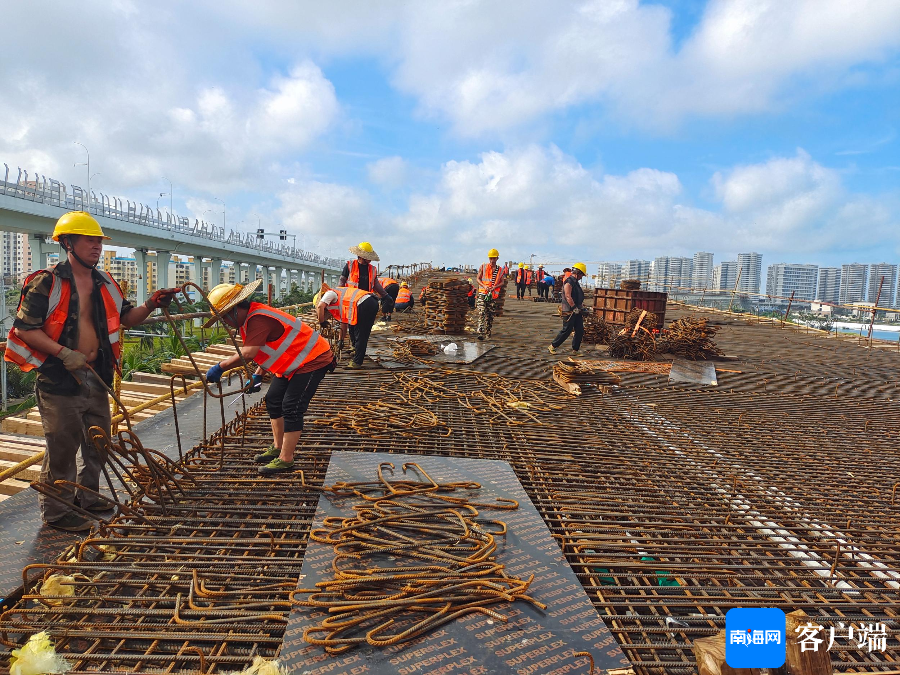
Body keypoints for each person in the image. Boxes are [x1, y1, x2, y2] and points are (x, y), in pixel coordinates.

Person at [5, 211, 178, 530]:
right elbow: (25, 330)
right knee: (63, 446)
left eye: (99, 241)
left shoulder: (107, 283)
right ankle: (58, 512)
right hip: (59, 381)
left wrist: (152, 303)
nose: (97, 247)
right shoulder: (47, 282)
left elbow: (127, 318)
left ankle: (86, 497)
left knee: (98, 443)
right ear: (68, 242)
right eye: (90, 240)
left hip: (97, 379)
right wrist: (63, 353)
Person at [203, 279, 335, 475]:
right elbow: (270, 349)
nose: (225, 323)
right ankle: (278, 446)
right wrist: (258, 375)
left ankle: (286, 458)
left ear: (235, 309)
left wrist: (220, 367)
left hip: (313, 359)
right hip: (292, 363)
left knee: (292, 406)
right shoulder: (247, 322)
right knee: (273, 399)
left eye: (224, 318)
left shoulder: (258, 319)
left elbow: (248, 354)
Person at [316, 286, 379, 369]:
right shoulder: (340, 302)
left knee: (361, 333)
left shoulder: (329, 293)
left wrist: (322, 322)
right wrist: (340, 340)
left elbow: (320, 306)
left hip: (364, 303)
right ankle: (355, 348)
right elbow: (344, 323)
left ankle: (357, 362)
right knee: (352, 325)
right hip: (368, 302)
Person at [549, 263, 588, 355]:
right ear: (578, 272)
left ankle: (575, 350)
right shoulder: (569, 282)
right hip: (569, 311)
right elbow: (568, 296)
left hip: (577, 310)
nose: (582, 277)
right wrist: (574, 308)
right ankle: (553, 346)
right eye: (582, 275)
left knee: (579, 330)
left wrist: (581, 307)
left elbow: (577, 296)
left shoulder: (576, 282)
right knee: (567, 330)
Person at [476, 248, 506, 340]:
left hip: (492, 295)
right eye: (491, 258)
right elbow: (478, 278)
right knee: (482, 311)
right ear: (489, 258)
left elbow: (502, 282)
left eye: (494, 258)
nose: (492, 260)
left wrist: (494, 287)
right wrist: (484, 286)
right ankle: (480, 330)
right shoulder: (483, 267)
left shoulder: (500, 270)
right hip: (483, 293)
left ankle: (488, 332)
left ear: (497, 258)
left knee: (490, 315)